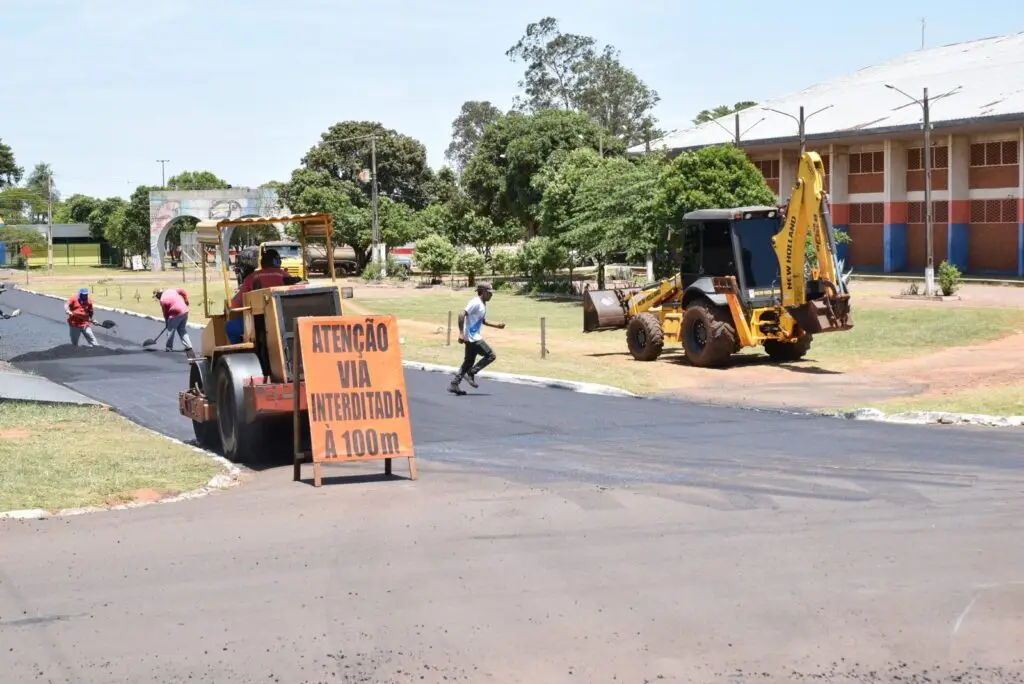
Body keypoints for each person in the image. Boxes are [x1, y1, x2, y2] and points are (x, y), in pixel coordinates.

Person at [448, 282, 505, 395]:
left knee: (468, 361)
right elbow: (461, 314)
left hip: (471, 337)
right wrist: (461, 333)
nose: (491, 295)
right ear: (483, 292)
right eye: (489, 292)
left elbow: (482, 321)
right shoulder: (475, 302)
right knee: (490, 355)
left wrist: (497, 326)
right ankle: (471, 372)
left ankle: (454, 384)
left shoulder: (482, 304)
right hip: (473, 337)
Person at [225, 248, 291, 344]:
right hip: (285, 320)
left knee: (230, 327)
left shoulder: (252, 278)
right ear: (277, 261)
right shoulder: (286, 276)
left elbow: (235, 305)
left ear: (262, 262)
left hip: (259, 323)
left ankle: (241, 351)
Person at [153, 287, 195, 358]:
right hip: (185, 311)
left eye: (157, 296)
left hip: (176, 313)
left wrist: (167, 322)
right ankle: (188, 346)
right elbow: (182, 291)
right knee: (182, 329)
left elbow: (165, 313)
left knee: (170, 330)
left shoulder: (162, 300)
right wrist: (186, 300)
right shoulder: (171, 290)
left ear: (159, 294)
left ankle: (169, 348)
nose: (157, 298)